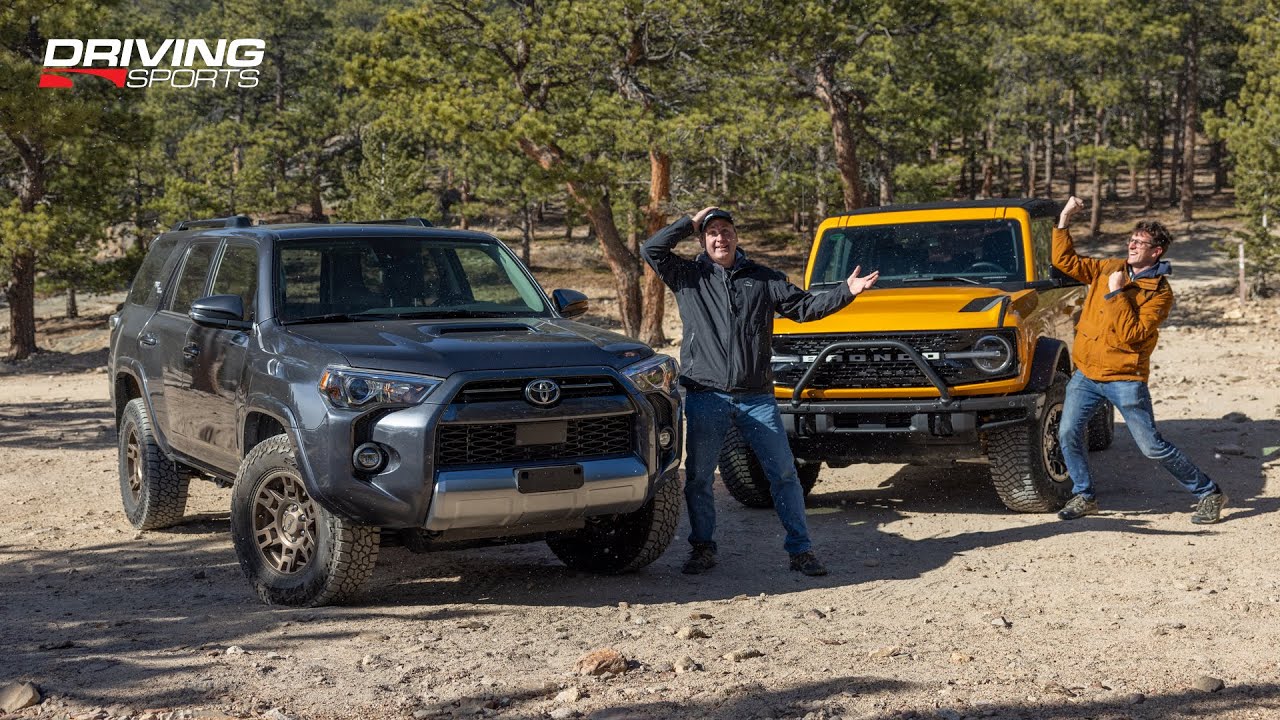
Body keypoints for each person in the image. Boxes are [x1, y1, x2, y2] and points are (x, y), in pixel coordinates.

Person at [641, 207, 879, 575]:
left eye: (726, 231)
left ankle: (801, 551)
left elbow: (804, 308)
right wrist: (687, 223)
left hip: (757, 398)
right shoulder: (688, 276)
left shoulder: (763, 278)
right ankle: (703, 548)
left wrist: (845, 292)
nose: (721, 238)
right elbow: (651, 250)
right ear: (703, 241)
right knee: (700, 478)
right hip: (706, 395)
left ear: (737, 237)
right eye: (712, 233)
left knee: (784, 475)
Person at [1053, 196, 1227, 523]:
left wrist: (1117, 294)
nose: (1132, 246)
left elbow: (1134, 334)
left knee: (1151, 447)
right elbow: (1066, 262)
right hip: (1087, 375)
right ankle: (1084, 494)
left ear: (1156, 251)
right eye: (1131, 240)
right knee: (1067, 433)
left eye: (1140, 242)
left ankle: (1209, 492)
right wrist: (1064, 219)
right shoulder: (1108, 268)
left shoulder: (1159, 293)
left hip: (1125, 379)